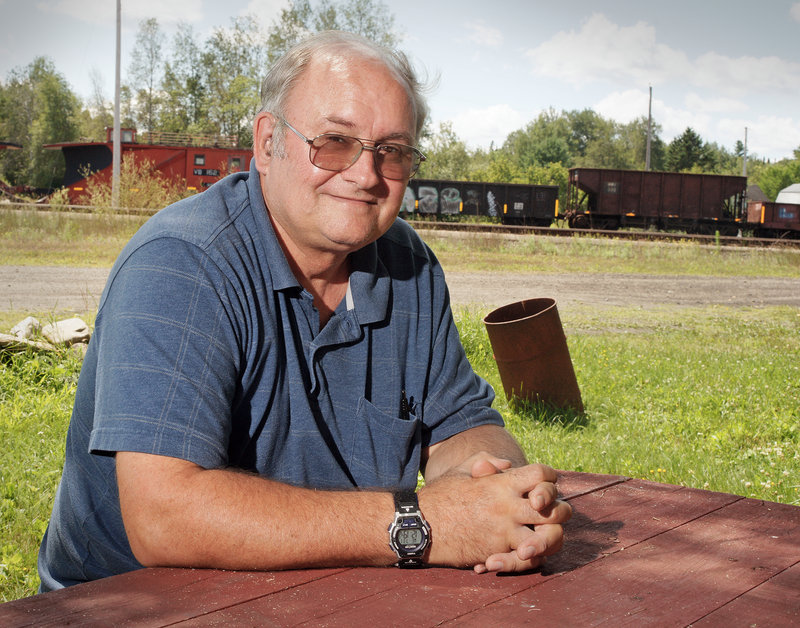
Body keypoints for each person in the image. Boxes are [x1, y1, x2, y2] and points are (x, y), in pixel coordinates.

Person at [38, 30, 572, 592]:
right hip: (130, 603)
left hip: (328, 589)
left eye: (392, 151)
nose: (367, 175)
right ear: (268, 143)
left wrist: (501, 493)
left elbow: (465, 426)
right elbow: (163, 517)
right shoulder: (182, 264)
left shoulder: (407, 265)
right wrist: (424, 523)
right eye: (335, 142)